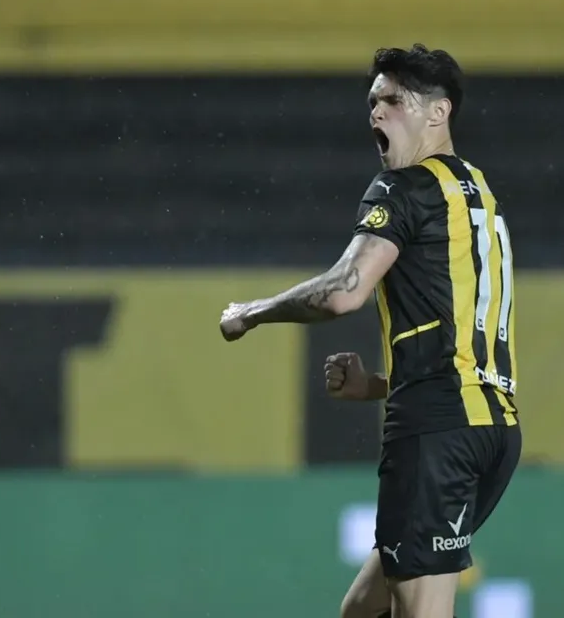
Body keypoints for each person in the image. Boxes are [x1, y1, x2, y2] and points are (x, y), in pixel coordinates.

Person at [219, 44, 521, 618]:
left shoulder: (403, 190)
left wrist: (253, 311)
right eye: (372, 103)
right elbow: (467, 348)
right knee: (362, 610)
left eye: (393, 101)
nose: (376, 114)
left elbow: (343, 291)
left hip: (437, 437)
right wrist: (380, 385)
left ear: (439, 113)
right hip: (494, 431)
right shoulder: (481, 196)